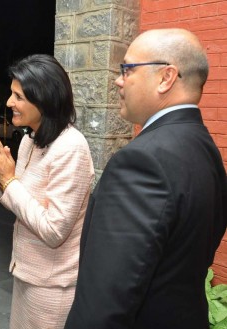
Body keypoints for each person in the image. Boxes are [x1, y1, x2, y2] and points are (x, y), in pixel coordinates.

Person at [65, 28, 227, 329]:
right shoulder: (205, 147)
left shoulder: (141, 162)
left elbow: (103, 304)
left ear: (166, 78)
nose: (118, 80)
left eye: (126, 69)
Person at [0, 54, 94, 328]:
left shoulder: (71, 148)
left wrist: (8, 181)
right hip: (26, 272)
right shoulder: (29, 141)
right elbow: (18, 202)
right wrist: (2, 179)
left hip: (52, 285)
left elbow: (54, 231)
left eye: (18, 96)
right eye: (12, 94)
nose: (10, 103)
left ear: (44, 99)